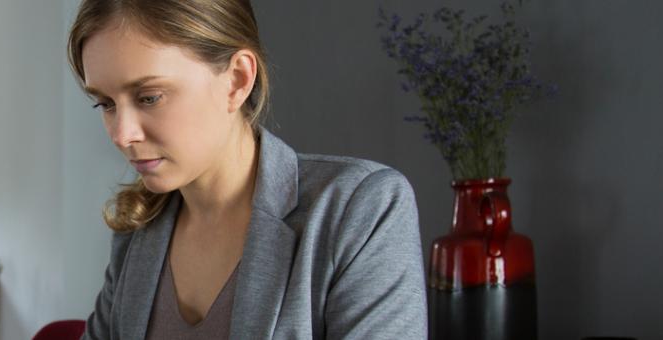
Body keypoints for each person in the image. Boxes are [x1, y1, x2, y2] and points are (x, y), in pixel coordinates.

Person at [66, 0, 427, 339]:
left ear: (237, 79)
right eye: (106, 103)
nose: (122, 134)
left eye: (149, 97)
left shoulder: (361, 209)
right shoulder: (137, 229)